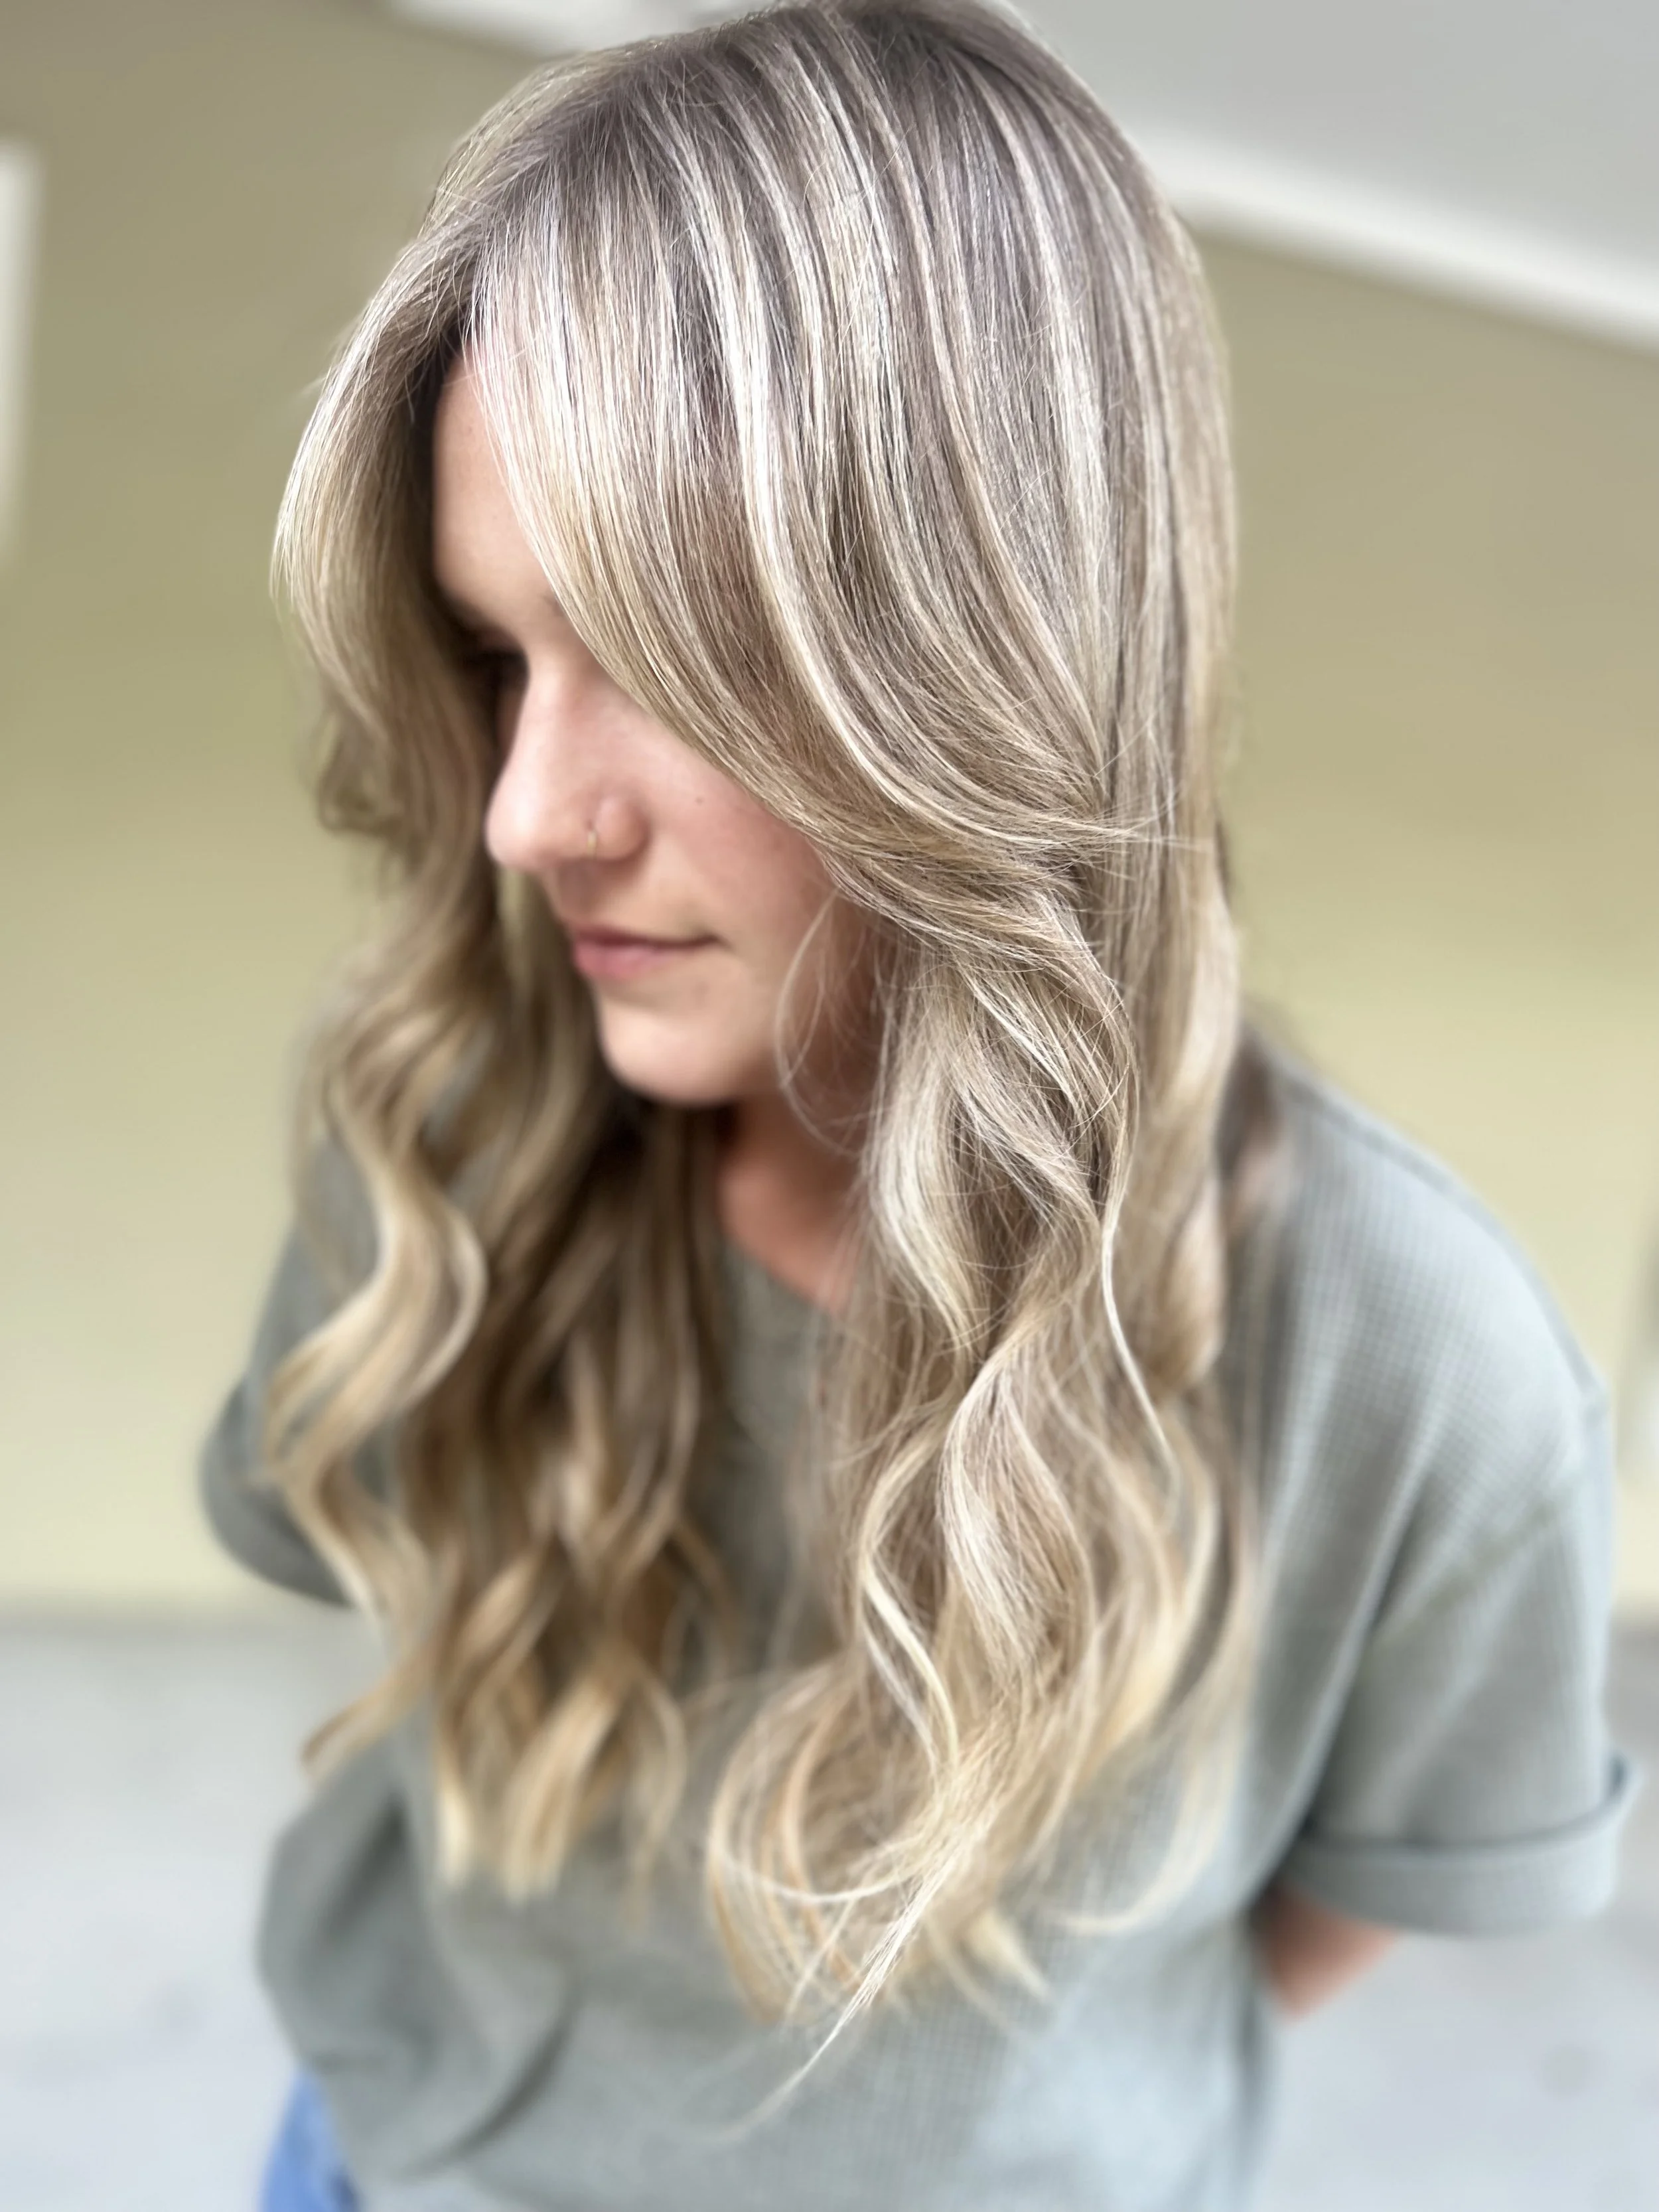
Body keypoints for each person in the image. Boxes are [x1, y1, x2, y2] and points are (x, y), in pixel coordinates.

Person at [198, 4, 1636, 2207]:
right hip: (392, 2150)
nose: (526, 814)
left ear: (989, 668)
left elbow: (1354, 1895)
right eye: (496, 659)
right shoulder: (461, 1112)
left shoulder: (1416, 1354)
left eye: (658, 660)